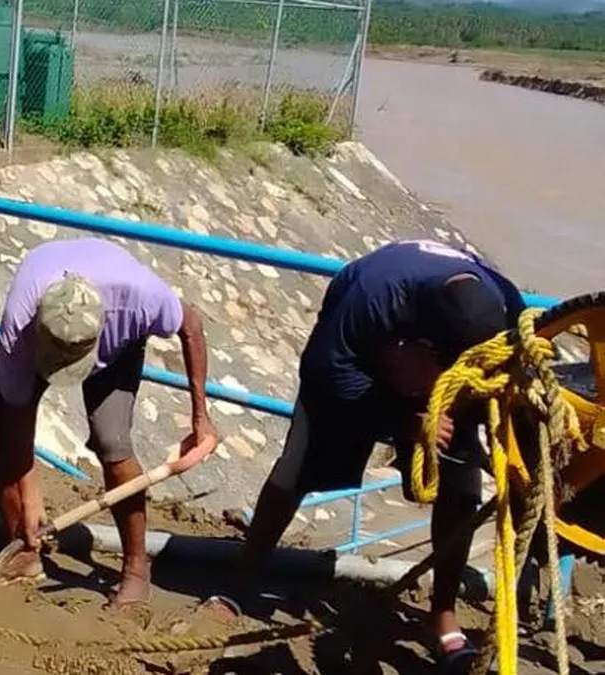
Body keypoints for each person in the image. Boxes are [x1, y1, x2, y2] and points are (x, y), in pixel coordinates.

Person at [206, 239, 525, 670]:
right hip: (359, 363)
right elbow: (327, 371)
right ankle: (239, 581)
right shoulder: (372, 299)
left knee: (461, 488)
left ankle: (442, 615)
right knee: (298, 467)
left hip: (454, 376)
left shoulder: (508, 307)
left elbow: (515, 385)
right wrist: (403, 420)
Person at [0, 238, 220, 608]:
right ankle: (24, 546)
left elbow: (192, 325)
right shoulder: (21, 324)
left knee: (113, 443)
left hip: (117, 350)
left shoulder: (140, 298)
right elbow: (17, 415)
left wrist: (201, 418)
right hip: (34, 340)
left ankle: (137, 570)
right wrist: (31, 496)